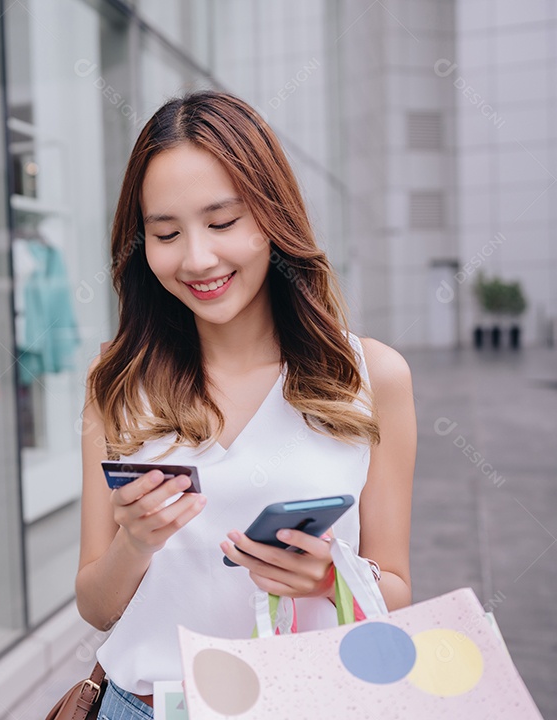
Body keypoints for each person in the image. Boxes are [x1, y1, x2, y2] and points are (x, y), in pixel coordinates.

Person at [76, 91, 415, 719]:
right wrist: (135, 543)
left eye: (223, 222)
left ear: (272, 216)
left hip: (303, 702)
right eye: (166, 233)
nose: (197, 258)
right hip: (147, 706)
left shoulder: (370, 376)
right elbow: (97, 606)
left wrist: (327, 579)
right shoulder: (117, 382)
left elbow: (394, 583)